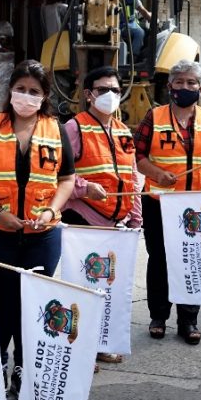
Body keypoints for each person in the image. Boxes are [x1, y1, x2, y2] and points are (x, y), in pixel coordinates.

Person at [0, 60, 76, 397]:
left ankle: (24, 367)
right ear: (10, 90)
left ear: (44, 97)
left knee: (33, 305)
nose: (25, 96)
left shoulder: (56, 130)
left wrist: (51, 210)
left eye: (34, 91)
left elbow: (67, 179)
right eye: (21, 89)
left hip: (42, 237)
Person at [134, 59, 201, 345]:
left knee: (193, 261)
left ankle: (188, 320)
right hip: (160, 203)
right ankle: (159, 316)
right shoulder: (154, 116)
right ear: (170, 86)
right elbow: (138, 158)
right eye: (179, 82)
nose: (185, 87)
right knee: (160, 259)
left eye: (191, 83)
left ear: (200, 87)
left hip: (199, 205)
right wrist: (156, 173)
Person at [61, 66, 142, 365]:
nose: (109, 95)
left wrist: (135, 216)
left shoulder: (122, 131)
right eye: (102, 90)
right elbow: (58, 174)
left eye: (115, 90)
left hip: (115, 222)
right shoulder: (75, 127)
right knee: (82, 287)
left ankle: (100, 342)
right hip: (83, 218)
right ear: (88, 95)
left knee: (107, 287)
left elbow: (131, 177)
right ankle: (81, 349)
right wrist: (83, 189)